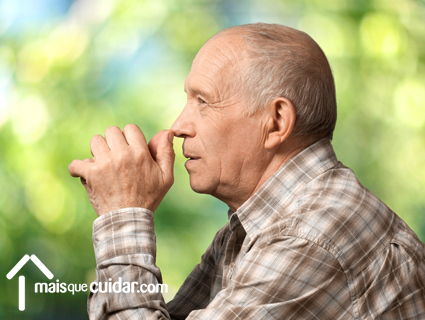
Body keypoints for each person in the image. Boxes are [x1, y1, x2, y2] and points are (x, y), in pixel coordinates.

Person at [68, 23, 425, 319]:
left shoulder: (308, 236)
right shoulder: (259, 225)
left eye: (203, 102)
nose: (178, 126)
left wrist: (124, 215)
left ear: (276, 122)